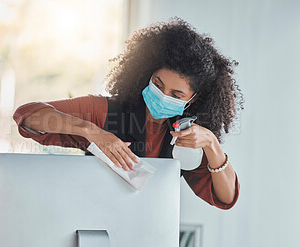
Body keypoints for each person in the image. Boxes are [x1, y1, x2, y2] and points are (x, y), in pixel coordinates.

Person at [13, 17, 243, 210]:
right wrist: (91, 131)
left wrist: (212, 144)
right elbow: (28, 116)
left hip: (149, 235)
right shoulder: (104, 112)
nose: (163, 96)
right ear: (146, 74)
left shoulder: (188, 137)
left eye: (176, 94)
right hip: (93, 223)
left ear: (194, 99)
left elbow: (226, 197)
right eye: (158, 84)